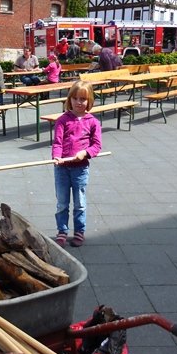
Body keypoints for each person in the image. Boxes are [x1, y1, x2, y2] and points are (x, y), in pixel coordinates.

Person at [52, 80, 102, 247]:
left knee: (79, 203)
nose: (78, 102)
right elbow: (57, 142)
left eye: (83, 99)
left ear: (89, 101)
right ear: (69, 99)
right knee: (62, 202)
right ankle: (62, 231)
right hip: (62, 169)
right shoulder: (62, 120)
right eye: (75, 98)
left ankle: (79, 231)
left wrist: (85, 153)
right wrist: (57, 157)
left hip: (80, 169)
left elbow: (96, 145)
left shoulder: (93, 122)